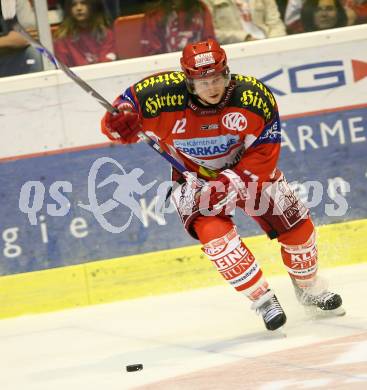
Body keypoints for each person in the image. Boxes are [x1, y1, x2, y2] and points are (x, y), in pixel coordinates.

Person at [100, 39, 344, 331]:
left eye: (217, 78)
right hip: (193, 178)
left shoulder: (253, 97)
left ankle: (308, 289)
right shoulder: (159, 95)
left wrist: (230, 182)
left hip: (246, 170)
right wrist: (117, 125)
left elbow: (265, 153)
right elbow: (119, 115)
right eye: (203, 82)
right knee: (217, 240)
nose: (212, 87)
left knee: (299, 230)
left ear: (227, 72)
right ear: (188, 80)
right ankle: (263, 300)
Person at [53, 0, 116, 67]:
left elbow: (107, 64)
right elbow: (64, 69)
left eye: (84, 3)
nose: (79, 8)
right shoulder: (62, 38)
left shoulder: (106, 34)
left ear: (93, 6)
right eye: (74, 5)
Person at [140, 0, 215, 56]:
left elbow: (209, 43)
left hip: (198, 65)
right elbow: (152, 53)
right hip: (166, 70)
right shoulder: (154, 13)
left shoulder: (201, 8)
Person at [203, 0, 286, 44]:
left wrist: (274, 42)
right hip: (234, 48)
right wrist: (245, 38)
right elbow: (209, 33)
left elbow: (275, 23)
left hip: (268, 41)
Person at [0, 0, 42, 77]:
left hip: (9, 58)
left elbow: (32, 32)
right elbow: (16, 39)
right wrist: (7, 41)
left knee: (37, 54)